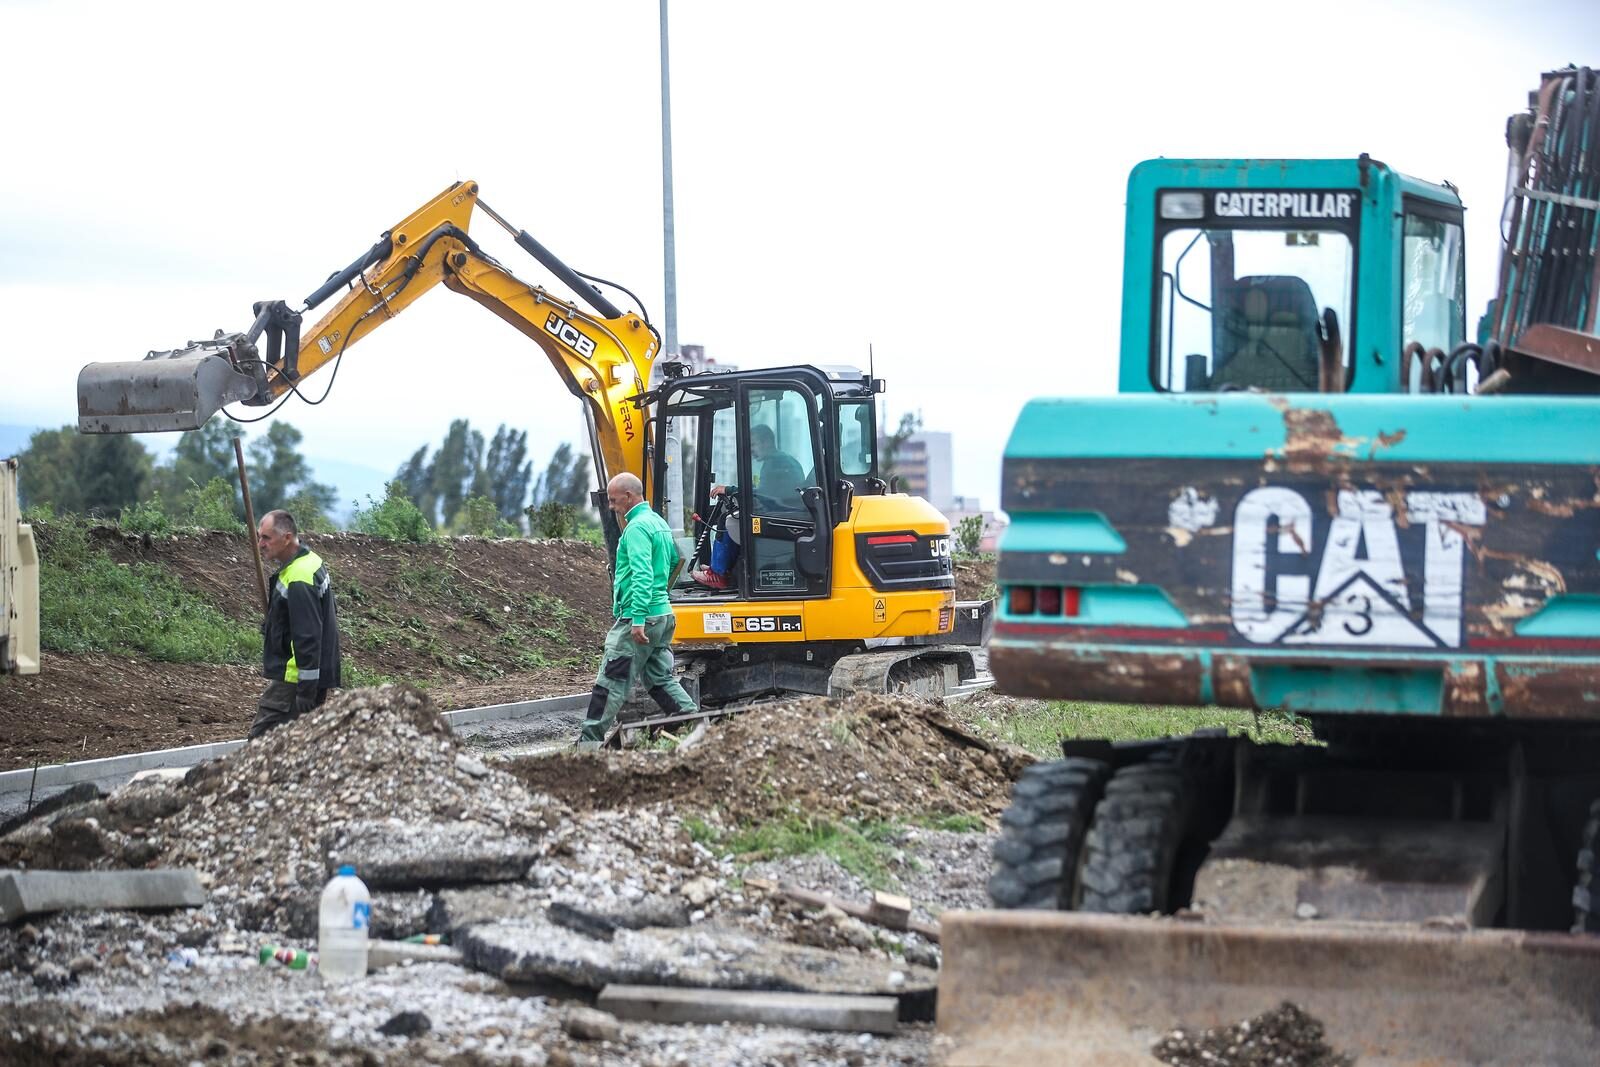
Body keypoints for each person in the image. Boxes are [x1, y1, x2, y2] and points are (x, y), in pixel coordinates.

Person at [577, 473, 699, 747]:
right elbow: (672, 564)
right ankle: (696, 725)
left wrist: (639, 619)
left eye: (613, 499)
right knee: (659, 679)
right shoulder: (659, 523)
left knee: (610, 681)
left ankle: (586, 748)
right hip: (663, 615)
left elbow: (642, 574)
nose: (610, 506)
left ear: (629, 496)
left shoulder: (636, 528)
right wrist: (658, 603)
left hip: (639, 616)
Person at [250, 509, 342, 739]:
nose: (260, 544)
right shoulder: (308, 561)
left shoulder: (300, 578)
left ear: (287, 537)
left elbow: (308, 637)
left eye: (266, 538)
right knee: (296, 745)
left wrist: (306, 691)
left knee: (260, 741)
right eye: (259, 537)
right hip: (306, 677)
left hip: (296, 679)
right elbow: (302, 620)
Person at [689, 424, 804, 589]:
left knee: (728, 520)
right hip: (782, 515)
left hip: (778, 520)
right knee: (735, 517)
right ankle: (723, 569)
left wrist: (730, 490)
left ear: (766, 442)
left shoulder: (776, 464)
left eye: (753, 445)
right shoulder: (784, 461)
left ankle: (718, 574)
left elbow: (764, 495)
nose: (751, 451)